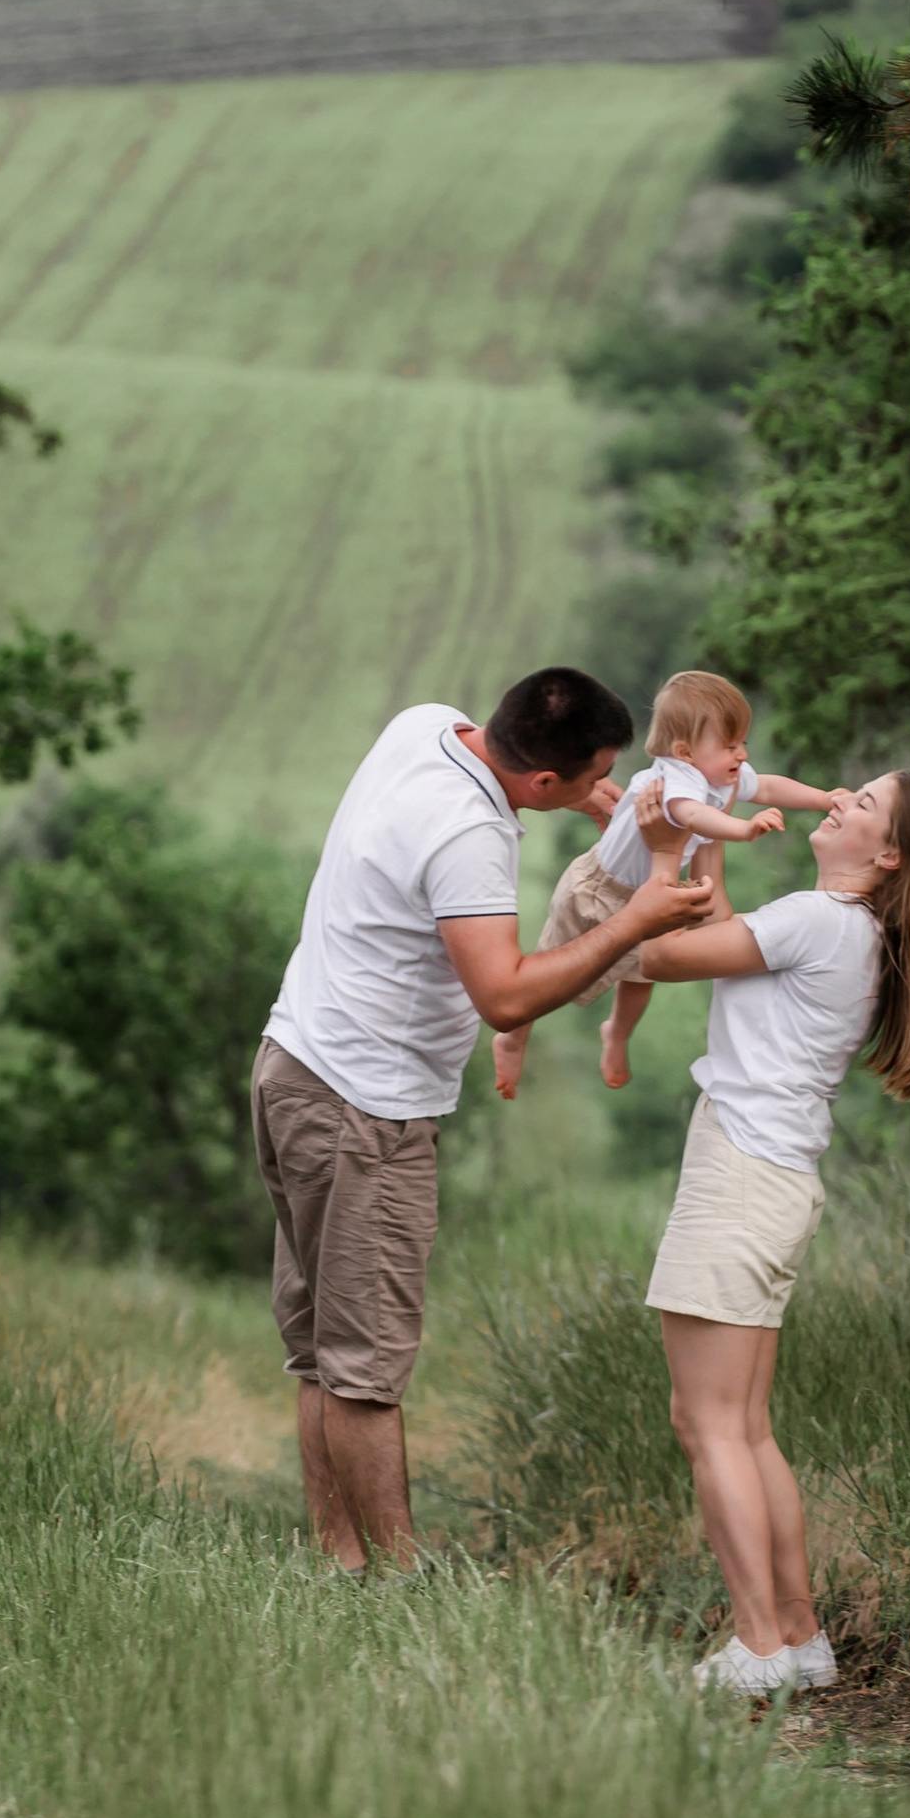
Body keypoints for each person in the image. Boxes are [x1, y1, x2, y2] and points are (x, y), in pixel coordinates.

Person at [252, 668, 711, 1571]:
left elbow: (522, 773)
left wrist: (593, 804)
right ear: (541, 780)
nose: (605, 790)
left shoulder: (424, 725)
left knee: (322, 1352)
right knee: (366, 1368)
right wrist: (636, 920)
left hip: (296, 1064)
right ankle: (401, 1585)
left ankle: (341, 1564)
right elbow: (503, 996)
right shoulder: (470, 833)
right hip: (365, 1113)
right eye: (594, 777)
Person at [631, 768, 910, 1696]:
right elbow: (724, 945)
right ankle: (797, 1636)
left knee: (708, 1423)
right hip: (776, 1178)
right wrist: (707, 852)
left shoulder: (816, 918)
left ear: (890, 855)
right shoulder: (851, 932)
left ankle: (757, 1645)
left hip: (738, 1174)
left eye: (862, 803)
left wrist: (667, 851)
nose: (836, 799)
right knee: (745, 1427)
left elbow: (659, 956)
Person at [492, 668, 840, 1101]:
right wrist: (743, 828)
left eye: (743, 742)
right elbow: (693, 816)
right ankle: (514, 1035)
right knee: (553, 968)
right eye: (730, 745)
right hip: (601, 889)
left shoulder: (719, 776)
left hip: (652, 895)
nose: (742, 755)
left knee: (643, 974)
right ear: (684, 752)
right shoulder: (676, 780)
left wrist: (824, 798)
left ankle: (616, 1034)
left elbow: (768, 787)